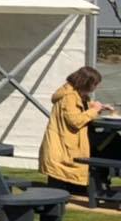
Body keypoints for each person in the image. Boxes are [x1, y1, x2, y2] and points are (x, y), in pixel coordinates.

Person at [39, 65, 112, 193]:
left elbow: (79, 108)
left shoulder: (78, 95)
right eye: (95, 84)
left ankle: (99, 183)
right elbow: (75, 121)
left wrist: (97, 107)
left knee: (109, 143)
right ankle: (99, 186)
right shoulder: (69, 97)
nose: (96, 87)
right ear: (86, 82)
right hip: (63, 146)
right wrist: (94, 110)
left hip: (70, 144)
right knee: (57, 187)